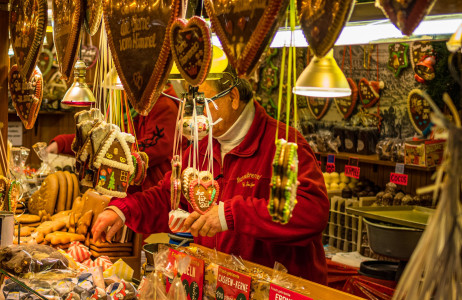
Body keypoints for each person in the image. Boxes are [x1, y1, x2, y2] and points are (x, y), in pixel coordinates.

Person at [91, 71, 330, 284]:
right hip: (219, 288)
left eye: (201, 102)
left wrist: (230, 214)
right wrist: (123, 210)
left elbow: (312, 213)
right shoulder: (203, 147)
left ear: (233, 97)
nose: (194, 114)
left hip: (281, 296)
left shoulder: (284, 143)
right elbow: (168, 196)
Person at [47, 83, 180, 190]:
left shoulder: (164, 106)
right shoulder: (133, 107)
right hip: (131, 190)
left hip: (153, 192)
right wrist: (62, 143)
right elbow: (107, 136)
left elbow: (153, 150)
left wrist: (104, 152)